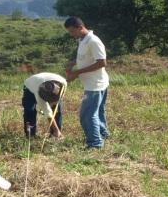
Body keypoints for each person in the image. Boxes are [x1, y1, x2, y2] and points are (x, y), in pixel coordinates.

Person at [64, 16, 110, 149]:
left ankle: (95, 144)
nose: (72, 35)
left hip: (95, 85)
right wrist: (72, 64)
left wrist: (77, 73)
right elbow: (85, 58)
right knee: (98, 111)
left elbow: (102, 62)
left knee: (87, 115)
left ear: (80, 27)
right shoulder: (82, 39)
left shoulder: (93, 41)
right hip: (95, 83)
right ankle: (103, 134)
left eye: (73, 31)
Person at [22, 72, 66, 139]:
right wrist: (56, 129)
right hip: (30, 86)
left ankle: (55, 135)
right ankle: (31, 134)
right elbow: (48, 113)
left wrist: (55, 103)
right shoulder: (38, 92)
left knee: (57, 109)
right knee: (30, 110)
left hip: (45, 79)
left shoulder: (63, 83)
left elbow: (60, 97)